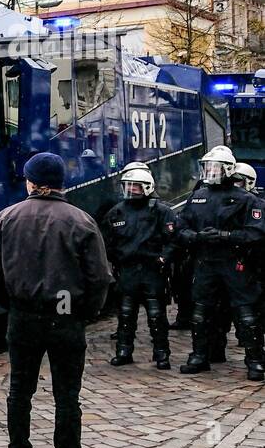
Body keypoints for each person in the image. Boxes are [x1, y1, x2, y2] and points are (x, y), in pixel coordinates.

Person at [0, 152, 112, 448]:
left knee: (19, 393)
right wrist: (83, 311)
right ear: (60, 184)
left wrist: (10, 303)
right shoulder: (81, 221)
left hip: (23, 314)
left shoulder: (6, 218)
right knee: (67, 398)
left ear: (29, 182)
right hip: (65, 314)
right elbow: (99, 278)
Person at [177, 147, 265, 381]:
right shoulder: (197, 196)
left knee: (246, 313)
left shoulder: (247, 200)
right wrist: (196, 238)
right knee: (200, 311)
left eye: (215, 167)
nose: (210, 172)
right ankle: (199, 355)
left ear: (228, 170)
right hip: (206, 262)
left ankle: (255, 360)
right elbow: (180, 228)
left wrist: (225, 236)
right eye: (207, 167)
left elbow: (256, 234)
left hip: (235, 262)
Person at [103, 166, 181, 369]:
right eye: (128, 186)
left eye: (135, 187)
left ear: (146, 188)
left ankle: (162, 353)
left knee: (156, 316)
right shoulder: (117, 211)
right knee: (126, 314)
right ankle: (124, 351)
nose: (131, 190)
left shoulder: (161, 211)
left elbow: (174, 240)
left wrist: (163, 259)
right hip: (127, 271)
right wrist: (115, 260)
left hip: (152, 270)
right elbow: (107, 241)